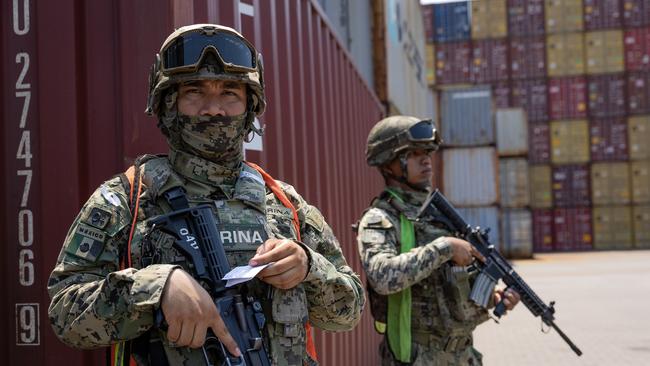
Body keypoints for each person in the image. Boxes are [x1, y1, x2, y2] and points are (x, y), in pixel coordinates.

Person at [48, 24, 364, 365]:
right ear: (168, 106)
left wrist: (308, 265)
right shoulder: (126, 200)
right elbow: (65, 315)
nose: (214, 109)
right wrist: (155, 287)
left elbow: (349, 312)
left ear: (249, 108)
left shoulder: (284, 203)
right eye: (194, 92)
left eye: (230, 92)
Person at [355, 115, 520, 365]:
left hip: (463, 355)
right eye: (413, 153)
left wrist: (492, 298)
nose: (426, 160)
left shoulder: (438, 215)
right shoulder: (381, 218)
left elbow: (456, 286)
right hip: (417, 357)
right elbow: (382, 276)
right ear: (388, 163)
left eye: (427, 153)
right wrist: (446, 248)